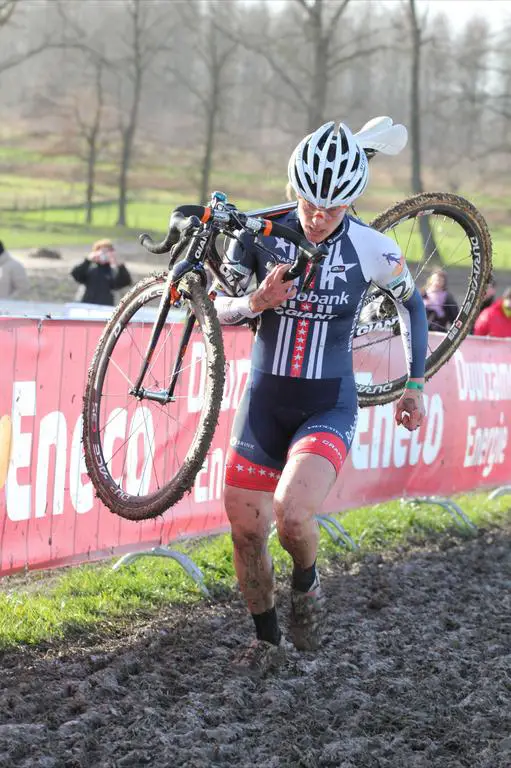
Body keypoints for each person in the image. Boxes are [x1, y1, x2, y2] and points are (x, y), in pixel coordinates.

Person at [213, 121, 428, 668]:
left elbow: (413, 306)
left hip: (327, 403)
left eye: (332, 208)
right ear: (294, 188)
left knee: (291, 514)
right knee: (244, 527)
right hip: (264, 402)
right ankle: (267, 642)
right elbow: (214, 308)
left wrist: (415, 382)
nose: (317, 216)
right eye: (310, 203)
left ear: (351, 201)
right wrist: (257, 302)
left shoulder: (372, 248)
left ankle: (306, 589)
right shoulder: (257, 232)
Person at [70, 239, 132, 306]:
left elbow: (126, 281)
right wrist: (88, 260)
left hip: (105, 308)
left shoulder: (113, 271)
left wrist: (119, 265)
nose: (104, 255)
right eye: (101, 251)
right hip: (85, 306)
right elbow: (75, 274)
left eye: (107, 252)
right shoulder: (88, 268)